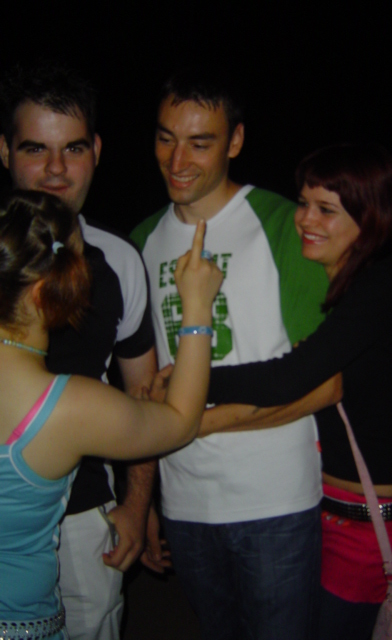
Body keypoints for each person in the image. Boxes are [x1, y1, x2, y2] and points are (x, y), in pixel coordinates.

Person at [131, 69, 332, 640]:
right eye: (166, 138)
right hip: (185, 503)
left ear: (235, 141)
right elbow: (144, 388)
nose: (177, 161)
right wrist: (143, 500)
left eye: (200, 142)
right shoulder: (141, 242)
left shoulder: (285, 226)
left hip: (275, 502)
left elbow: (328, 383)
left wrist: (197, 423)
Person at [203, 142, 392, 640]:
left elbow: (287, 378)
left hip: (366, 525)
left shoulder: (381, 284)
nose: (305, 218)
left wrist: (193, 378)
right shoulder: (348, 291)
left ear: (370, 218)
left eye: (327, 209)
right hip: (333, 509)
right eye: (304, 203)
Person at [0, 189, 222, 640]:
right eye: (79, 266)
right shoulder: (66, 406)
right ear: (46, 289)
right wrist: (197, 307)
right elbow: (181, 421)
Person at [0, 62, 162, 640]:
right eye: (35, 149)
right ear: (5, 152)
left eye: (72, 148)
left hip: (88, 515)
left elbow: (143, 390)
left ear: (95, 151)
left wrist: (137, 505)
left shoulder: (119, 260)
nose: (55, 169)